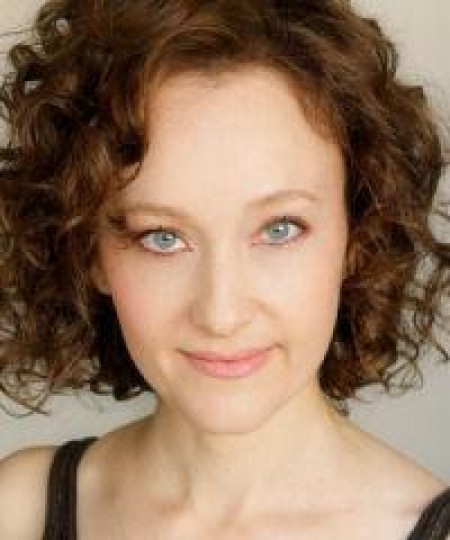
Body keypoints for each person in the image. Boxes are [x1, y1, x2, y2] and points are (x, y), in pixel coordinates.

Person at [0, 0, 449, 538]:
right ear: (88, 251)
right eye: (163, 238)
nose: (221, 314)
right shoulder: (18, 510)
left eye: (279, 229)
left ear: (358, 237)